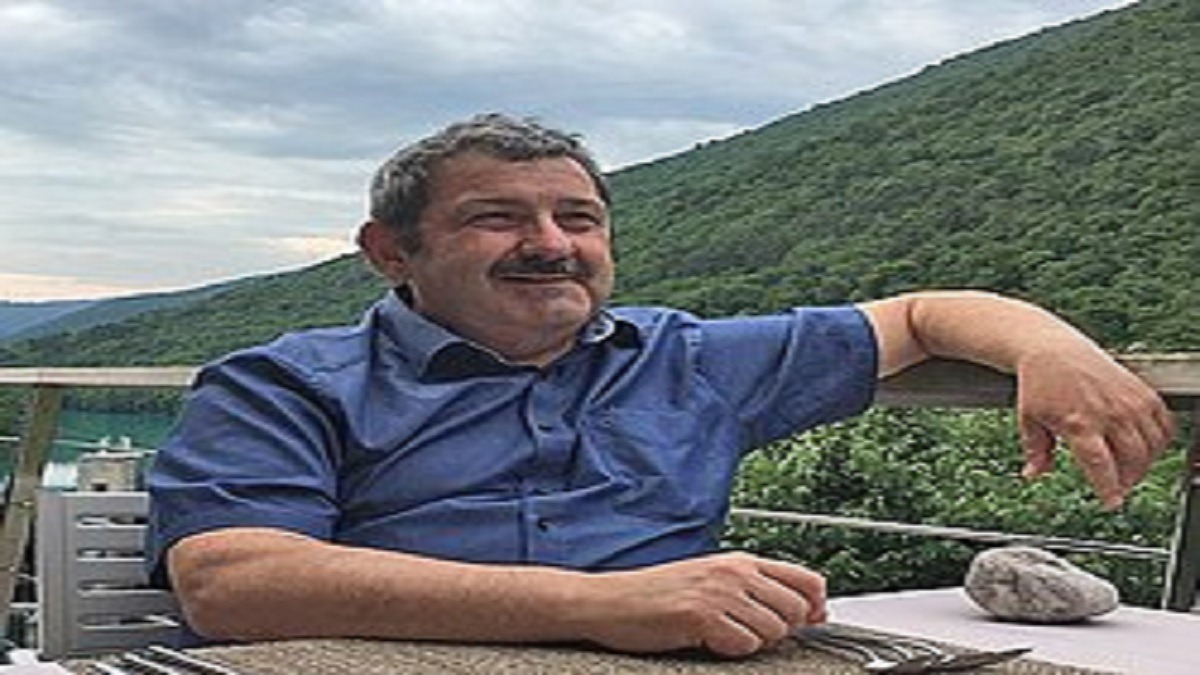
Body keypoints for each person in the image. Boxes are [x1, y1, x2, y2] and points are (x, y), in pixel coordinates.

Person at [146, 113, 1173, 658]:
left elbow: (920, 315)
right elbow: (234, 583)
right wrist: (605, 603)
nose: (551, 243)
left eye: (579, 218)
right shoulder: (282, 383)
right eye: (497, 217)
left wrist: (1052, 345)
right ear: (390, 251)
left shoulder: (688, 357)